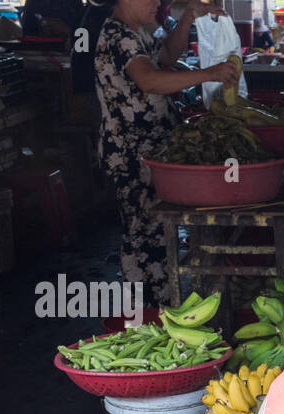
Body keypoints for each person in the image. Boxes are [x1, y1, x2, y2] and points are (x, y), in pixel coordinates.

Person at [94, 0, 240, 305]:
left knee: (159, 233)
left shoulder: (139, 31)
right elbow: (149, 79)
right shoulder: (117, 35)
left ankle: (161, 308)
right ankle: (145, 314)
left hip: (153, 150)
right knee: (142, 237)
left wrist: (187, 16)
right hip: (132, 154)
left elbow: (167, 56)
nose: (159, 2)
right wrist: (209, 74)